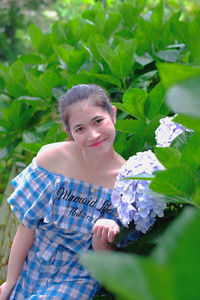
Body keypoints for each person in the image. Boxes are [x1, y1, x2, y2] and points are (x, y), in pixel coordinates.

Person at [0, 84, 126, 300]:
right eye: (80, 129)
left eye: (98, 121)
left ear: (112, 114)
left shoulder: (126, 181)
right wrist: (10, 282)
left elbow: (108, 260)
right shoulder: (51, 159)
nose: (94, 134)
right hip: (34, 263)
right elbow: (27, 226)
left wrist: (103, 235)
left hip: (78, 276)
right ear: (69, 132)